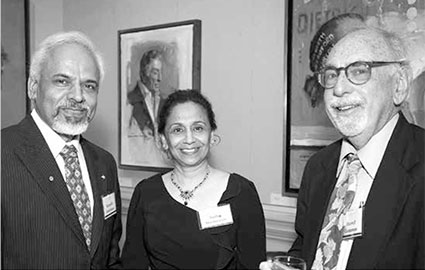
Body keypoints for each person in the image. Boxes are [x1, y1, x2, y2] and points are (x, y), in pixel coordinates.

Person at [261, 13, 424, 270]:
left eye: (359, 71)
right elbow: (306, 248)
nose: (339, 89)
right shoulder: (318, 168)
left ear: (399, 85)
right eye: (331, 75)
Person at [1, 31, 122, 269]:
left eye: (89, 85)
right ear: (33, 88)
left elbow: (109, 257)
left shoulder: (104, 163)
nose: (78, 96)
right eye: (62, 81)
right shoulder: (3, 153)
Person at [122, 90, 266, 269]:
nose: (189, 139)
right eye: (177, 130)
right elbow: (133, 264)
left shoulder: (241, 193)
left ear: (211, 135)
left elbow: (253, 265)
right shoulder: (146, 193)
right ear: (163, 140)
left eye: (198, 128)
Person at [127, 49, 165, 143]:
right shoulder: (130, 100)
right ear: (145, 73)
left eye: (160, 72)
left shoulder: (162, 101)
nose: (160, 78)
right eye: (155, 73)